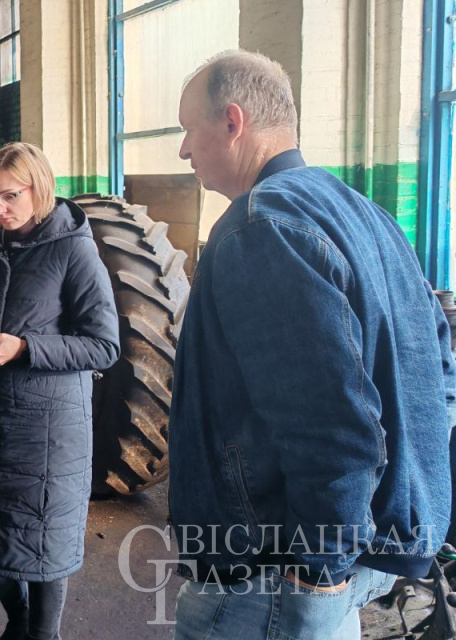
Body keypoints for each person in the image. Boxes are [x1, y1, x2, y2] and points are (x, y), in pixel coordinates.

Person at [169, 50, 456, 639]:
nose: (183, 150)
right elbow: (439, 364)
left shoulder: (259, 227)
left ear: (232, 121)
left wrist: (317, 570)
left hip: (274, 569)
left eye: (188, 129)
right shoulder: (368, 215)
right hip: (365, 548)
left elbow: (331, 424)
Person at [0, 142, 120, 640]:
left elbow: (104, 345)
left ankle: (43, 632)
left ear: (39, 188)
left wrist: (24, 348)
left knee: (45, 547)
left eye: (10, 196)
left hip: (46, 427)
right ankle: (18, 617)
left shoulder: (72, 248)